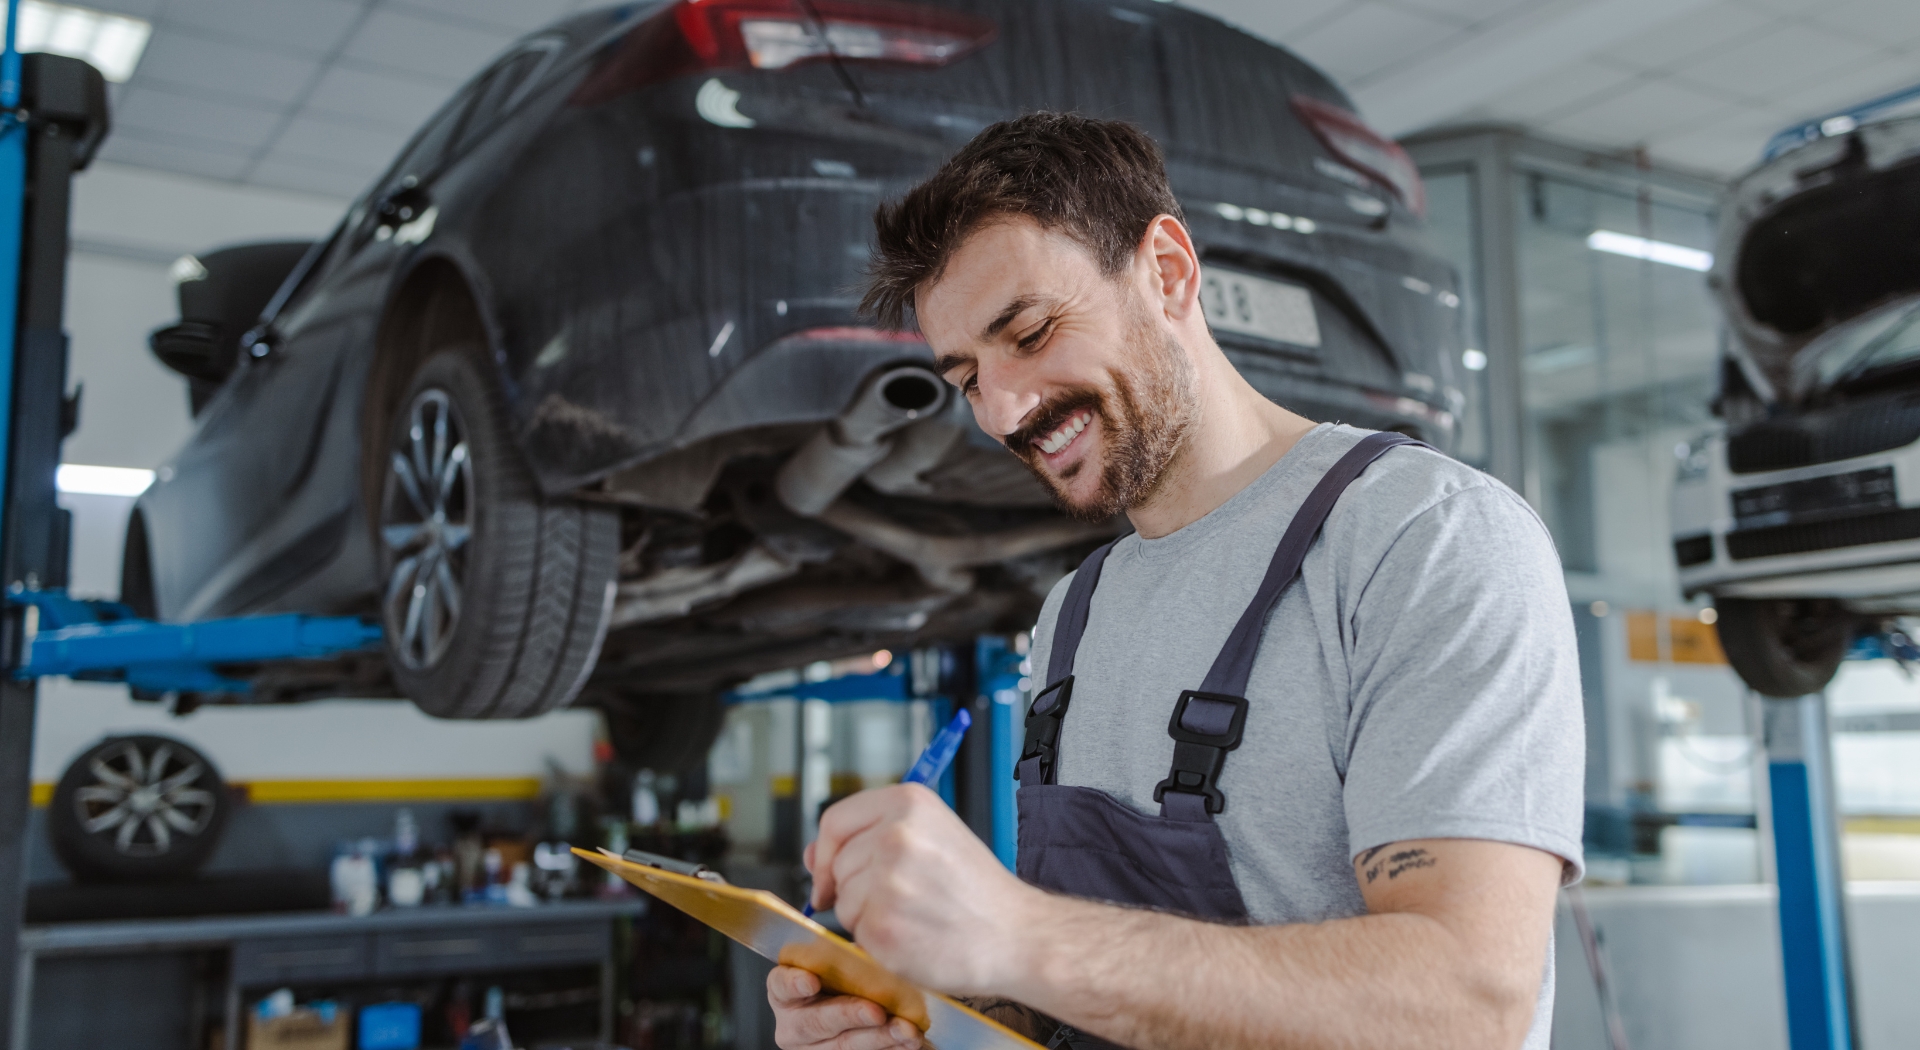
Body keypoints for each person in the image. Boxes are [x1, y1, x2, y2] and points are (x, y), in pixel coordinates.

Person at [768, 112, 1584, 1050]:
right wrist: (926, 1018)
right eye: (966, 380)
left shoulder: (1420, 536)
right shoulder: (1076, 610)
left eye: (1029, 334)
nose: (1003, 412)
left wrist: (1021, 934)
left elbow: (1465, 1006)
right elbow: (1093, 985)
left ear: (1165, 272)